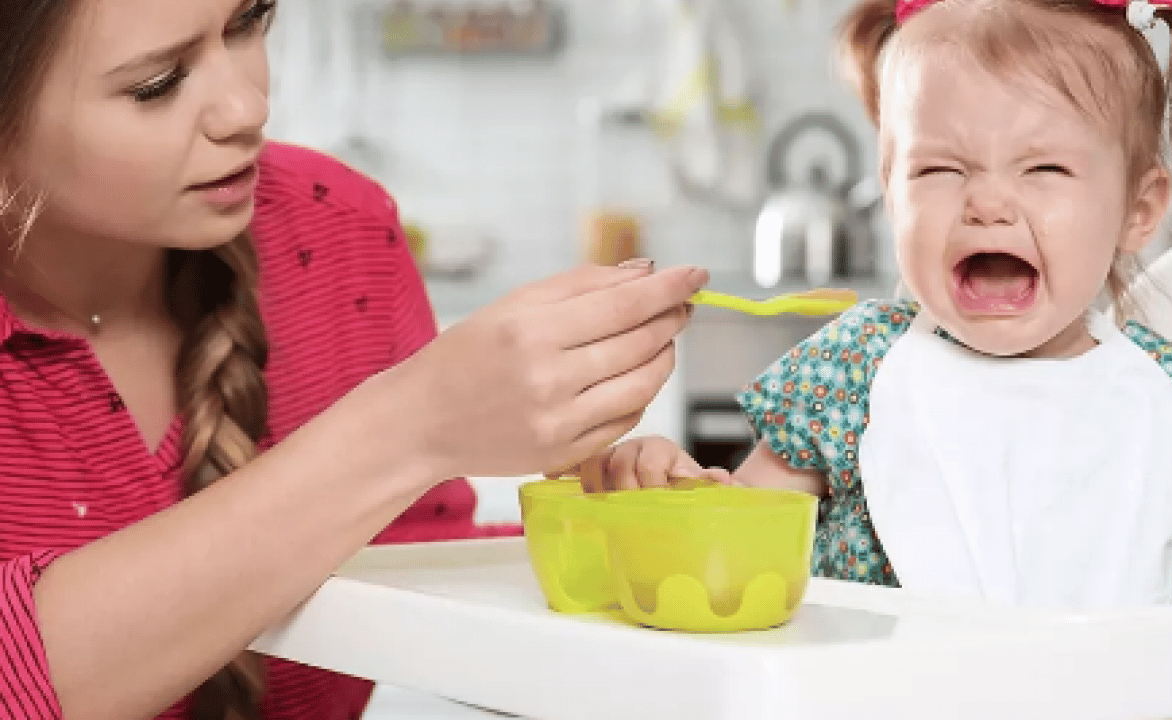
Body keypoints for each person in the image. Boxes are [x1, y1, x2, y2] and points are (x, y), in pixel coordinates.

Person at [0, 1, 708, 719]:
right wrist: (407, 426)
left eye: (248, 23)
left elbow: (415, 578)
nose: (248, 108)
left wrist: (603, 536)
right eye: (157, 83)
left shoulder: (335, 231)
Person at [568, 0, 1172, 609]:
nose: (988, 203)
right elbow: (741, 538)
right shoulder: (856, 370)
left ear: (1138, 207)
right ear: (890, 187)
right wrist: (677, 490)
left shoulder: (1166, 392)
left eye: (1044, 169)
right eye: (940, 168)